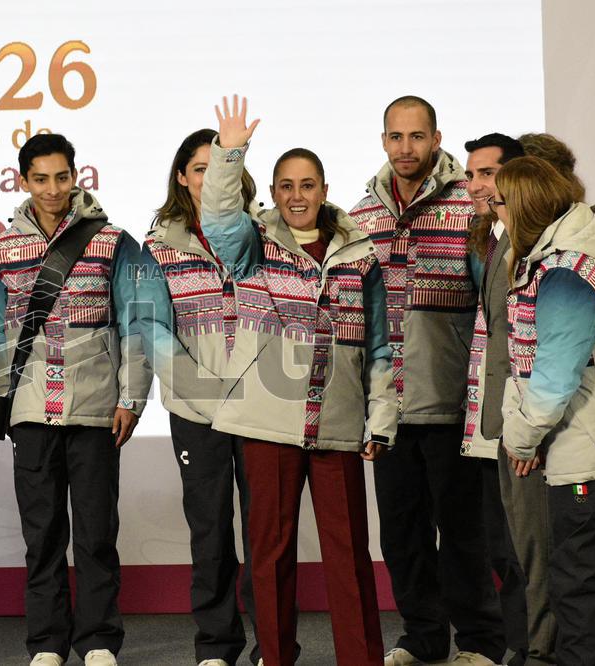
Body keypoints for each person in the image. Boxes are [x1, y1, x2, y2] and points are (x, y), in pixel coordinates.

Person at [200, 96, 398, 666]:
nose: (295, 196)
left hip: (336, 423)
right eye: (285, 185)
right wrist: (229, 151)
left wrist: (381, 420)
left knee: (348, 555)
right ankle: (276, 658)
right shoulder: (250, 243)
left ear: (324, 188)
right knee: (270, 554)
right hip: (266, 423)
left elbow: (382, 346)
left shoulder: (361, 255)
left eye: (306, 184)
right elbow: (216, 214)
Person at [0, 133, 150, 666]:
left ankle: (98, 640)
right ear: (22, 181)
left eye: (62, 176)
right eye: (40, 178)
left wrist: (133, 398)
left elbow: (136, 322)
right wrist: (4, 403)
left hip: (97, 408)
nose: (53, 188)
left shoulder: (113, 241)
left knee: (97, 532)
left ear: (76, 176)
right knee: (42, 533)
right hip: (30, 414)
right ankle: (47, 643)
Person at [347, 96, 504, 666]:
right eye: (396, 137)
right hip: (388, 406)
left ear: (437, 138)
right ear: (383, 140)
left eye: (417, 137)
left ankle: (482, 640)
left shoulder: (470, 207)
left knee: (463, 532)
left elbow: (495, 304)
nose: (406, 148)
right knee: (402, 533)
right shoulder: (362, 215)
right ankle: (422, 634)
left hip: (454, 402)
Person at [493, 155, 595, 666]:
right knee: (592, 577)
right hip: (585, 443)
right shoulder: (558, 260)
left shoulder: (565, 274)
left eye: (498, 202)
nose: (492, 211)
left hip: (588, 449)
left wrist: (520, 439)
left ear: (523, 207)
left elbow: (552, 379)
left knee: (577, 586)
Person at [138, 128, 260, 666]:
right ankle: (216, 645)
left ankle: (273, 643)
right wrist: (208, 395)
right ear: (182, 177)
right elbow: (153, 329)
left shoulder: (260, 233)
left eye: (220, 167)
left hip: (263, 406)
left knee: (266, 534)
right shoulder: (157, 244)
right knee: (210, 529)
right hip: (197, 410)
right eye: (199, 169)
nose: (210, 178)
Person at [460, 133, 542, 666]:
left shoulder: (529, 244)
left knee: (527, 553)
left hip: (525, 423)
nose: (476, 186)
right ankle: (522, 647)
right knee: (503, 550)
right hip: (493, 421)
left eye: (487, 174)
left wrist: (523, 426)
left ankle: (538, 651)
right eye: (471, 176)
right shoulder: (487, 240)